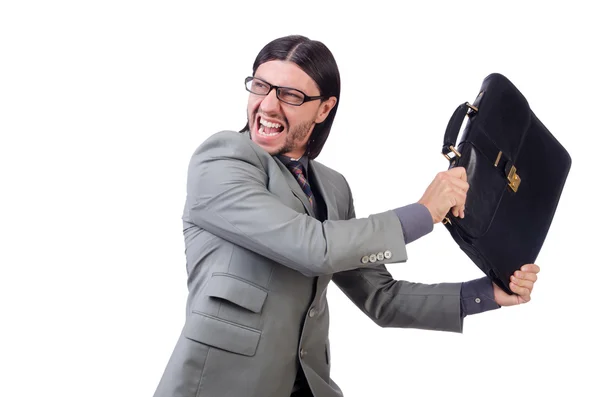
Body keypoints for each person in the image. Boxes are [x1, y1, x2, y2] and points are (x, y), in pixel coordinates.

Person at [152, 35, 540, 397]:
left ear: (324, 108)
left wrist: (486, 293)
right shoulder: (221, 159)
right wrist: (424, 213)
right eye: (260, 86)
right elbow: (312, 248)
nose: (268, 105)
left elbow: (382, 299)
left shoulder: (333, 188)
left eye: (289, 95)